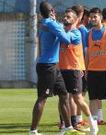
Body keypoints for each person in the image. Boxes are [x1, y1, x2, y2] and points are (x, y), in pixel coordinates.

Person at [29, 2, 79, 135]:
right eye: (54, 10)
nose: (56, 13)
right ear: (51, 11)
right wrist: (75, 35)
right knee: (42, 98)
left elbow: (59, 33)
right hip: (47, 66)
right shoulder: (51, 24)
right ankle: (33, 131)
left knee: (63, 94)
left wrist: (62, 28)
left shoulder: (45, 23)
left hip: (52, 66)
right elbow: (66, 39)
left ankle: (68, 127)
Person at [58, 8, 98, 135]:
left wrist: (53, 25)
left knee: (78, 99)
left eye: (69, 17)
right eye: (65, 16)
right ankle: (66, 126)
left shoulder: (76, 33)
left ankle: (93, 122)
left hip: (73, 69)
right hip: (62, 69)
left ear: (75, 20)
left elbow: (65, 38)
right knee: (62, 98)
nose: (65, 18)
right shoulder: (62, 31)